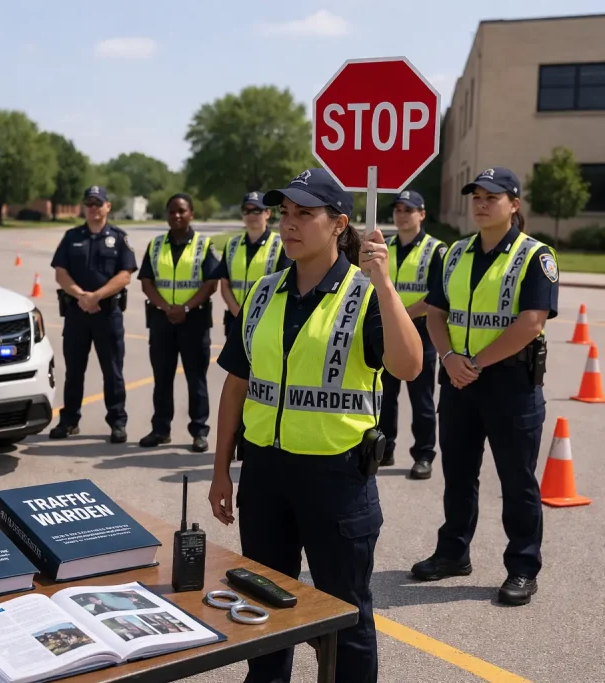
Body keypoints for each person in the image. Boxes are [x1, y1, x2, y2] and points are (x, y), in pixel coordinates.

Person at [208, 168, 423, 683]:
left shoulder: (363, 293)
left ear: (338, 224)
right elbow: (237, 385)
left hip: (337, 479)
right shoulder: (262, 293)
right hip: (264, 475)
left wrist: (386, 286)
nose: (289, 224)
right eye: (285, 213)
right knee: (264, 607)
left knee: (346, 616)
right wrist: (221, 471)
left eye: (305, 214)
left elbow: (409, 366)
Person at [411, 167, 558, 606]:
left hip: (511, 383)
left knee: (517, 482)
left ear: (514, 205)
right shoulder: (454, 253)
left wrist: (472, 361)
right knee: (458, 476)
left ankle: (522, 568)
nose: (480, 203)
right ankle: (453, 553)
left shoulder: (536, 255)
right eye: (475, 195)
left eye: (491, 196)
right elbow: (436, 311)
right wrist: (452, 359)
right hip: (459, 380)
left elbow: (531, 323)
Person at [48, 185, 137, 442]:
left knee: (113, 371)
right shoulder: (72, 236)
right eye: (89, 203)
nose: (94, 208)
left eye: (99, 203)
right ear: (84, 207)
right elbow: (60, 272)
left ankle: (117, 422)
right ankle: (69, 421)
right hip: (76, 314)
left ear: (108, 206)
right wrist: (81, 295)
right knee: (74, 371)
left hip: (107, 315)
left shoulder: (119, 238)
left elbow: (125, 275)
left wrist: (96, 296)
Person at [137, 194, 220, 452]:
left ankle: (199, 432)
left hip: (194, 320)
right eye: (172, 211)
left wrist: (185, 307)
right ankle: (161, 429)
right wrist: (166, 308)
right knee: (162, 379)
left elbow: (211, 283)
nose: (177, 216)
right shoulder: (156, 245)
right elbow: (147, 281)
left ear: (191, 213)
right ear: (166, 214)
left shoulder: (204, 245)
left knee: (196, 380)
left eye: (182, 211)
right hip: (162, 320)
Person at [379, 189, 447, 480]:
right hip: (385, 331)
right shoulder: (385, 246)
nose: (402, 215)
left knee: (421, 400)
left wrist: (401, 315)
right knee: (385, 395)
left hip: (422, 332)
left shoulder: (436, 250)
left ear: (422, 214)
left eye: (409, 210)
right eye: (398, 209)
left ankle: (423, 455)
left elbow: (436, 296)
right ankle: (385, 448)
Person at [216, 191, 291, 334]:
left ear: (267, 213)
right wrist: (237, 312)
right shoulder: (232, 244)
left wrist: (256, 315)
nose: (251, 215)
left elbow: (285, 286)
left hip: (267, 321)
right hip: (235, 319)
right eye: (247, 211)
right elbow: (224, 283)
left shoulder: (281, 244)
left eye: (257, 210)